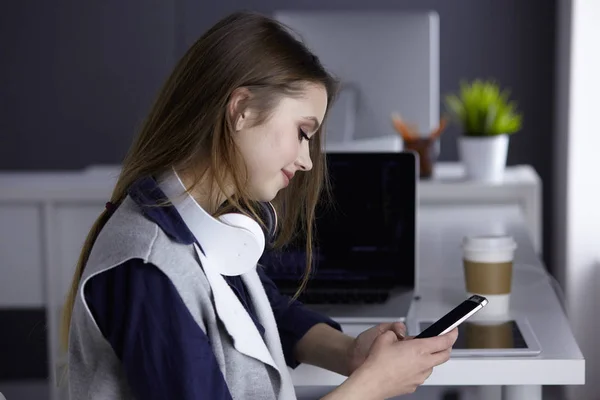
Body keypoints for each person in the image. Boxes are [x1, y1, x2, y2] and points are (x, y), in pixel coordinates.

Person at [60, 10, 457, 400]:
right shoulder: (146, 273)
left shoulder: (203, 221)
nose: (306, 160)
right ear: (242, 110)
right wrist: (370, 387)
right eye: (303, 133)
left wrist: (351, 352)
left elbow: (268, 313)